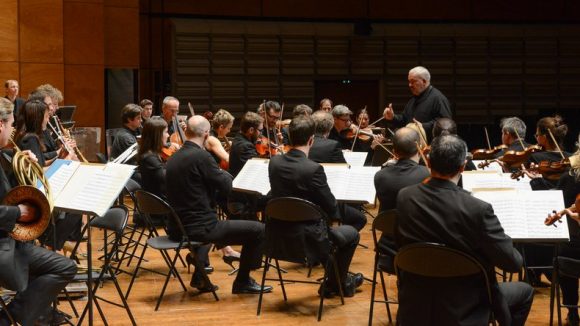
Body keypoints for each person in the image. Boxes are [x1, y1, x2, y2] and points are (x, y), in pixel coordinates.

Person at [395, 134, 534, 326]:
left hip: (414, 302)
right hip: (464, 308)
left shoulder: (405, 197)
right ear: (462, 167)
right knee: (524, 291)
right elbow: (513, 263)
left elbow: (401, 244)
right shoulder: (477, 209)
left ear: (427, 161)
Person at [166, 115, 272, 294]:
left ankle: (200, 277)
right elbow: (226, 187)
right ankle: (243, 281)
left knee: (213, 221)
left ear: (186, 132)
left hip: (176, 226)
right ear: (207, 135)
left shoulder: (175, 157)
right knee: (258, 230)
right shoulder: (201, 156)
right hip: (198, 228)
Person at [0, 98, 77, 326]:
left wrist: (21, 162)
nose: (14, 128)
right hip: (5, 243)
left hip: (13, 239)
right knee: (64, 267)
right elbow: (11, 204)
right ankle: (10, 317)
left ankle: (21, 315)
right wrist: (18, 212)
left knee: (59, 265)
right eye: (11, 123)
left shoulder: (3, 155)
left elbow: (11, 190)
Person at [268, 115, 363, 297]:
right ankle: (336, 283)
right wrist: (335, 216)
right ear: (311, 140)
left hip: (277, 236)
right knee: (351, 234)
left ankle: (339, 282)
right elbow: (330, 205)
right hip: (309, 239)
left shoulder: (274, 163)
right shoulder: (313, 169)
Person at [308, 110, 367, 232]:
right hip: (325, 201)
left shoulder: (304, 143)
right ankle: (335, 240)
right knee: (360, 218)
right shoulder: (332, 145)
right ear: (329, 128)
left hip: (305, 200)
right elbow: (344, 171)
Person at [382, 66, 452, 138]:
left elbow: (446, 124)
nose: (410, 85)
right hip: (413, 144)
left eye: (413, 81)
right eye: (409, 82)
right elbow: (405, 120)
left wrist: (422, 126)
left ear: (424, 81)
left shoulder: (438, 98)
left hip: (430, 146)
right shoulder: (413, 100)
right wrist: (393, 117)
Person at [228, 112, 265, 220]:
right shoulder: (245, 146)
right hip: (243, 198)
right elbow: (258, 168)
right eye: (260, 131)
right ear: (251, 130)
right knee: (274, 200)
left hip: (241, 194)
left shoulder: (239, 139)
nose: (261, 134)